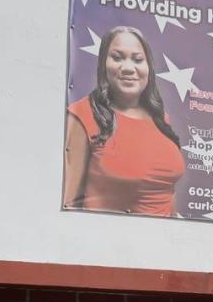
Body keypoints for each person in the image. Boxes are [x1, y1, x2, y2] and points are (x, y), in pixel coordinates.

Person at [63, 26, 185, 216]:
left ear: (149, 67)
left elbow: (168, 194)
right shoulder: (81, 115)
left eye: (137, 59)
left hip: (163, 241)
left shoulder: (161, 118)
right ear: (104, 64)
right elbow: (69, 203)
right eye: (117, 57)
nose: (128, 68)